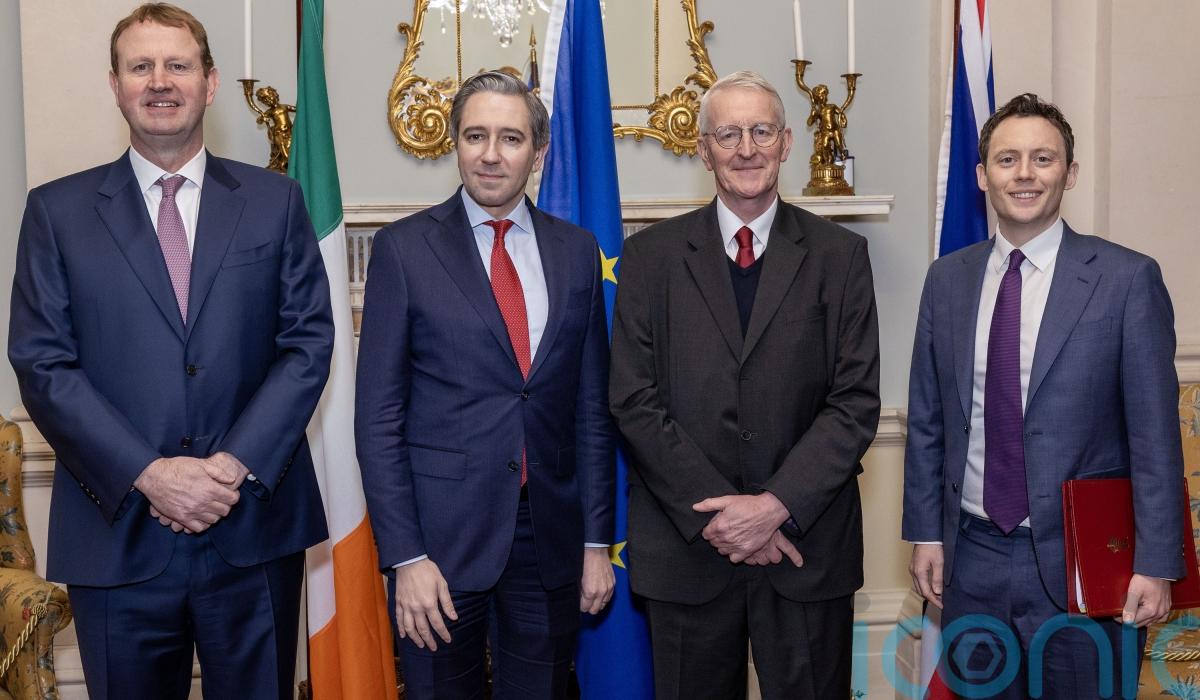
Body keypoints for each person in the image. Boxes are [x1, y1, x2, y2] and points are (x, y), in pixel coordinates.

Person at [7, 4, 334, 699]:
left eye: (178, 65)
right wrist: (150, 474)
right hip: (117, 535)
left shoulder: (275, 202)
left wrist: (230, 467)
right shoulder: (56, 213)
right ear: (116, 85)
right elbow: (43, 364)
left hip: (253, 528)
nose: (160, 81)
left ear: (210, 83)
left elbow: (307, 344)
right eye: (141, 66)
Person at [609, 70, 880, 700]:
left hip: (806, 547)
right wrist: (725, 518)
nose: (746, 148)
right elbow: (633, 400)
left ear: (787, 143)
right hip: (688, 552)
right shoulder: (648, 258)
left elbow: (854, 403)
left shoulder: (841, 256)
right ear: (703, 150)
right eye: (728, 134)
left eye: (761, 131)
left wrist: (774, 507)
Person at [903, 93, 1184, 698]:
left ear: (1070, 173)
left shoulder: (1126, 279)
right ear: (983, 176)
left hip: (1087, 567)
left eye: (1043, 158)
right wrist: (927, 533)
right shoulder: (947, 280)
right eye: (1007, 159)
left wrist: (1157, 562)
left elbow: (1155, 437)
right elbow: (928, 421)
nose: (1024, 174)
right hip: (972, 559)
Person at [355, 70, 616, 699]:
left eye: (510, 138)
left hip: (548, 541)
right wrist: (405, 557)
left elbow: (591, 410)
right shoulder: (404, 250)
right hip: (438, 545)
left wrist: (594, 541)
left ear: (539, 152)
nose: (491, 154)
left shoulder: (577, 252)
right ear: (456, 143)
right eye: (475, 136)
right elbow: (378, 418)